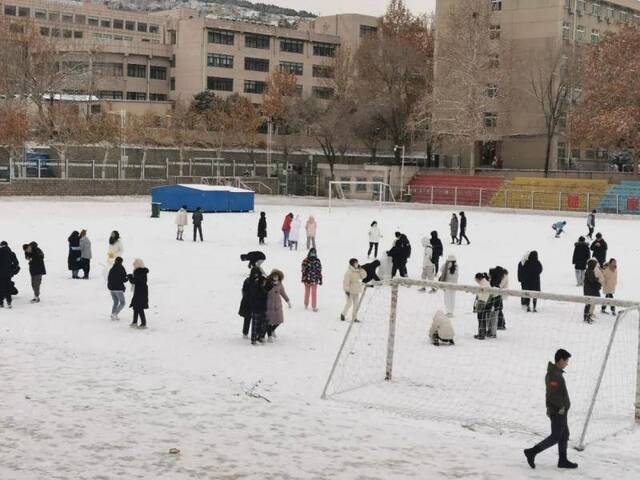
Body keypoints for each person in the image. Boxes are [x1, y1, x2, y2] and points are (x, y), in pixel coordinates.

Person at [524, 349, 578, 470]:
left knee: (564, 434)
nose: (567, 363)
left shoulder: (557, 373)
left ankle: (562, 460)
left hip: (561, 411)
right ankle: (532, 452)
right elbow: (552, 396)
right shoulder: (554, 375)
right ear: (560, 360)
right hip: (558, 411)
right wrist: (561, 407)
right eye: (566, 360)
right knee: (556, 436)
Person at [265, 269, 291, 342]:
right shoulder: (268, 283)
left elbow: (283, 293)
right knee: (269, 322)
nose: (275, 277)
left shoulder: (280, 284)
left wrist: (287, 300)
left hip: (278, 306)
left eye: (277, 276)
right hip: (269, 305)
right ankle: (269, 336)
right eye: (274, 276)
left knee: (279, 320)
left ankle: (272, 330)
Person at [246, 267, 268, 345]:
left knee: (263, 324)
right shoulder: (254, 286)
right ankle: (254, 340)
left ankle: (261, 337)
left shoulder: (264, 287)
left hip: (263, 308)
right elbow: (252, 296)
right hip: (256, 308)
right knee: (255, 325)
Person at [128, 258, 149, 329]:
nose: (133, 264)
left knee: (139, 308)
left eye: (135, 263)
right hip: (140, 291)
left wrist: (130, 277)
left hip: (140, 292)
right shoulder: (141, 271)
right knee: (136, 307)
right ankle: (134, 322)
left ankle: (143, 323)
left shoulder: (139, 272)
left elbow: (135, 281)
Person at [473, 273, 493, 340]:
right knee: (482, 318)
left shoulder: (483, 284)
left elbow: (481, 295)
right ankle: (482, 333)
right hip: (485, 302)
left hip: (482, 302)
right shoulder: (485, 282)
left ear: (478, 278)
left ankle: (481, 334)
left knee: (481, 318)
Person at [0, 241, 20, 309]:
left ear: (1, 245)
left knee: (1, 287)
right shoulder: (11, 253)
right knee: (7, 287)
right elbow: (16, 263)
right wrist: (12, 270)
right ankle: (9, 302)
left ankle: (1, 303)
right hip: (8, 274)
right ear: (7, 245)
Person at [489, 265, 508, 330]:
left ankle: (501, 324)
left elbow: (500, 286)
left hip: (499, 294)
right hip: (496, 294)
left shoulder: (503, 277)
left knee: (498, 309)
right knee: (498, 309)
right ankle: (500, 324)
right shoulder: (497, 275)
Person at [583, 258, 602, 323]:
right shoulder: (589, 271)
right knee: (588, 304)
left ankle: (588, 316)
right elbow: (592, 280)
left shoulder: (590, 270)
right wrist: (597, 280)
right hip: (589, 290)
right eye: (594, 264)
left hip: (590, 290)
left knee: (589, 304)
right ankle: (586, 317)